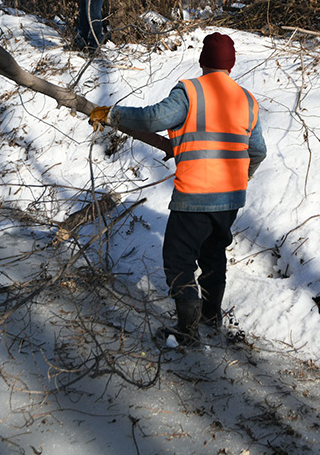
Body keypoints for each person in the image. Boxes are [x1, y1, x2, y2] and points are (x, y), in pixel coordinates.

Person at [89, 32, 267, 347]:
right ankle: (211, 315)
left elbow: (154, 118)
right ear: (231, 64)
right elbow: (258, 150)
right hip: (230, 198)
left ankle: (187, 329)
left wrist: (113, 114)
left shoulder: (191, 91)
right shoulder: (248, 100)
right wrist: (245, 176)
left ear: (203, 62)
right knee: (214, 254)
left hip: (196, 194)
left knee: (179, 257)